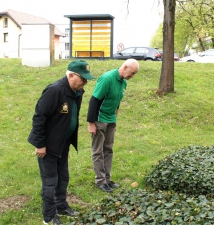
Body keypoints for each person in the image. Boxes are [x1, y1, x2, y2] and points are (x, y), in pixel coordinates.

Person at [28, 60, 95, 225]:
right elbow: (39, 118)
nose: (85, 82)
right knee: (50, 180)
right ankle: (49, 216)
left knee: (63, 176)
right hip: (48, 145)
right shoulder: (55, 90)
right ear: (71, 75)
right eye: (83, 79)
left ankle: (61, 206)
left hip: (63, 143)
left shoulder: (76, 91)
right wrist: (40, 144)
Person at [87, 58, 139, 192]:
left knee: (108, 149)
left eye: (134, 74)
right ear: (125, 67)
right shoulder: (107, 78)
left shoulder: (123, 82)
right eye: (132, 73)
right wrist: (91, 123)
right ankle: (100, 181)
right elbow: (94, 100)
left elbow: (117, 101)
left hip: (111, 120)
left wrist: (115, 120)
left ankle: (107, 180)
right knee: (98, 151)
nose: (132, 77)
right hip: (99, 119)